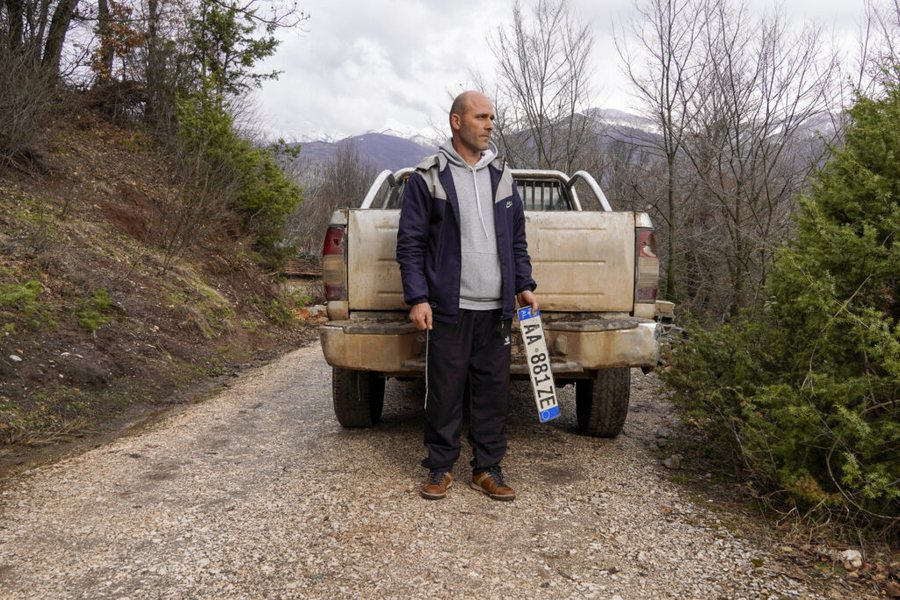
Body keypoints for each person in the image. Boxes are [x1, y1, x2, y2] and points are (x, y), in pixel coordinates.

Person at [396, 90, 538, 501]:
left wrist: (524, 285)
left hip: (495, 308)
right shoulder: (429, 176)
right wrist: (418, 297)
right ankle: (440, 468)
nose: (490, 124)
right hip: (448, 308)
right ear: (457, 122)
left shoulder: (502, 175)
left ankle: (487, 469)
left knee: (492, 392)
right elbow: (410, 244)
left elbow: (516, 240)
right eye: (481, 117)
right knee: (444, 391)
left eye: (492, 117)